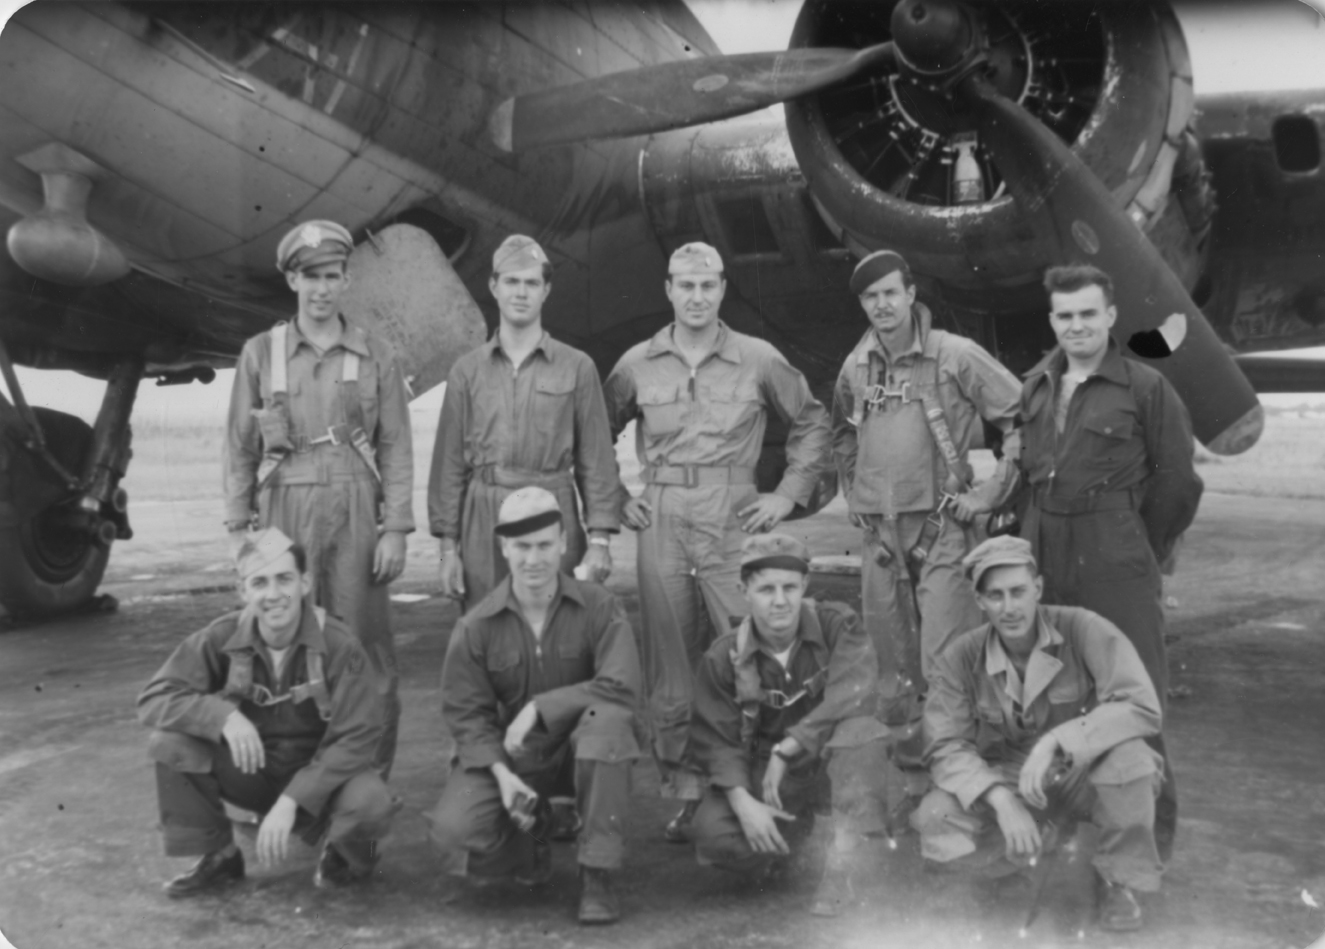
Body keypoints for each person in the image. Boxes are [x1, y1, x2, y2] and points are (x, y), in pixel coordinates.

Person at [604, 242, 832, 837]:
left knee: (749, 648)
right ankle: (686, 789)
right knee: (672, 662)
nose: (697, 297)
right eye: (686, 285)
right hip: (662, 516)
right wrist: (614, 498)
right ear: (669, 291)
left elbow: (811, 420)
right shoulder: (637, 363)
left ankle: (764, 780)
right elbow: (591, 429)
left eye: (708, 286)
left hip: (733, 515)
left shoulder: (757, 359)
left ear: (723, 290)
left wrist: (787, 493)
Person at [1018, 263, 1202, 859]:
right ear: (1052, 320)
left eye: (1087, 314)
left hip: (1114, 554)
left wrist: (1135, 547)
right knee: (1052, 691)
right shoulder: (1038, 386)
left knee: (1136, 695)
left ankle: (1143, 857)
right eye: (1065, 316)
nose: (1076, 327)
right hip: (1046, 551)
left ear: (1111, 316)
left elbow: (1178, 484)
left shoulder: (1146, 388)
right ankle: (1064, 828)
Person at [223, 219, 414, 774]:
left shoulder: (377, 353)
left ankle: (366, 795)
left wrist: (397, 528)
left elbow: (396, 445)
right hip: (283, 507)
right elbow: (239, 444)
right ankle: (293, 786)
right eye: (311, 276)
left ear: (347, 280)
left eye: (332, 276)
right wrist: (240, 529)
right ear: (291, 281)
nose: (323, 288)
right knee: (283, 645)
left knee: (365, 655)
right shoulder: (261, 354)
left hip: (356, 508)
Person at [830, 249, 1021, 773]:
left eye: (891, 293)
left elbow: (1023, 416)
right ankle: (913, 761)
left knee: (947, 658)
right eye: (871, 297)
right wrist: (854, 490)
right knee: (889, 664)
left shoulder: (955, 355)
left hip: (940, 530)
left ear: (911, 295)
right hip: (879, 539)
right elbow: (842, 431)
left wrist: (991, 493)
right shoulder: (856, 365)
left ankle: (957, 764)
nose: (882, 305)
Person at [914, 536, 1165, 933]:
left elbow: (1141, 706)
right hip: (1010, 776)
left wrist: (1057, 740)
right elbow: (945, 744)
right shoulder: (961, 656)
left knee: (1133, 763)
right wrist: (999, 799)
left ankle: (1120, 881)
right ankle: (1002, 867)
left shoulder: (1082, 628)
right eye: (995, 596)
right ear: (979, 602)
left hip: (1079, 769)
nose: (1009, 607)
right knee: (937, 812)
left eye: (1018, 592)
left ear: (1039, 589)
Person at [425, 487, 641, 925]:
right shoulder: (476, 625)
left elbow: (621, 687)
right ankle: (533, 835)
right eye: (522, 546)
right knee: (454, 834)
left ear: (564, 543)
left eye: (545, 544)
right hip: (516, 759)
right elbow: (467, 719)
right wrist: (502, 777)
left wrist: (540, 707)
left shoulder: (600, 607)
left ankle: (597, 872)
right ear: (503, 548)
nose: (534, 559)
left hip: (584, 751)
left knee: (606, 721)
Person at [138, 528, 394, 897]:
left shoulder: (341, 646)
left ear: (305, 583)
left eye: (284, 579)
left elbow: (359, 738)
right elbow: (155, 697)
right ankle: (220, 855)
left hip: (322, 785)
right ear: (243, 591)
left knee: (373, 804)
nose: (273, 595)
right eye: (259, 582)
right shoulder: (221, 637)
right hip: (252, 773)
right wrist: (222, 716)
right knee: (170, 743)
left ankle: (346, 855)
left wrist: (293, 799)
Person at [688, 534, 889, 917]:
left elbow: (857, 691)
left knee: (863, 733)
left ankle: (846, 862)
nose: (780, 601)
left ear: (805, 586)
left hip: (833, 762)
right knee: (717, 835)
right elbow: (716, 740)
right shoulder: (724, 656)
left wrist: (793, 743)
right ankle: (794, 839)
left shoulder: (837, 626)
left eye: (789, 588)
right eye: (766, 589)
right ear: (743, 590)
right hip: (774, 779)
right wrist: (742, 802)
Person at [429, 234, 622, 609]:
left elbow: (596, 461)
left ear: (546, 290)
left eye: (532, 283)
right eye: (511, 281)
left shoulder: (577, 367)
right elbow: (449, 466)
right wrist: (447, 550)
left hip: (554, 510)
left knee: (557, 632)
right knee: (486, 630)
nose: (521, 292)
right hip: (484, 515)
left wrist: (599, 540)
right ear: (493, 286)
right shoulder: (467, 372)